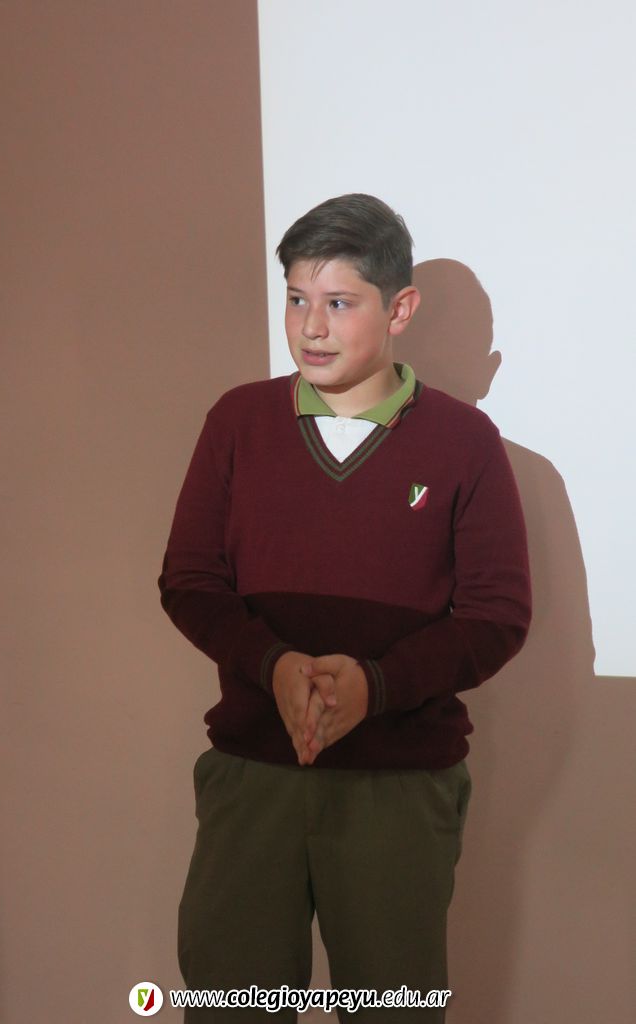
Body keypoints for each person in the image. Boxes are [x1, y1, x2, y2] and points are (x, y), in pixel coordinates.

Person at [158, 194, 531, 1021]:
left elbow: (496, 615)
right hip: (255, 771)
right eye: (296, 300)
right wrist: (274, 667)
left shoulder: (466, 442)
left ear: (400, 310)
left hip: (398, 785)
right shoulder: (238, 421)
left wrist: (375, 686)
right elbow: (190, 580)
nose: (311, 327)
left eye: (338, 302)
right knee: (231, 1003)